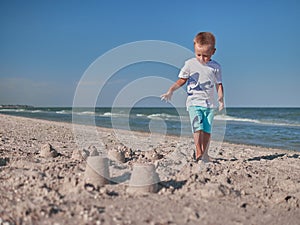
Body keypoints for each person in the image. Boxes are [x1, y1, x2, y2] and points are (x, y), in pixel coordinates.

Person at [161, 32, 224, 162]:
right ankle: (199, 152)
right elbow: (181, 80)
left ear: (213, 51)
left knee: (207, 130)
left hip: (210, 105)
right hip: (194, 102)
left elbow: (219, 85)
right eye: (198, 54)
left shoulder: (216, 67)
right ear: (194, 48)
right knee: (198, 126)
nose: (201, 58)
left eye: (205, 55)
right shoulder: (190, 64)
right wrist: (170, 90)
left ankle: (205, 153)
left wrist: (221, 100)